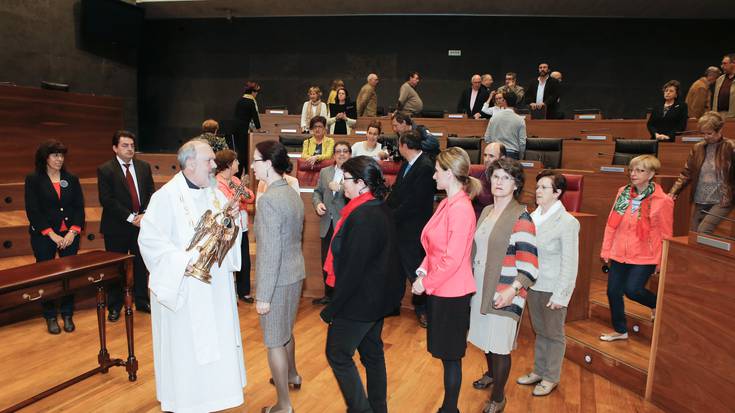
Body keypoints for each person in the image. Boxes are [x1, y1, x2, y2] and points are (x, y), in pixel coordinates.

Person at [138, 138, 246, 413]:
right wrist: (182, 263)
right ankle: (186, 401)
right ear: (190, 163)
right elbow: (150, 241)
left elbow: (227, 236)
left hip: (215, 288)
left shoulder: (215, 194)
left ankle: (215, 397)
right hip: (184, 287)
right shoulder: (165, 198)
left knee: (217, 342)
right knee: (187, 350)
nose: (214, 166)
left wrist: (232, 220)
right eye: (209, 161)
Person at [320, 156, 403, 413]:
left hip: (360, 301)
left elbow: (353, 270)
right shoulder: (376, 207)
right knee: (372, 354)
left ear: (361, 183)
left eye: (345, 179)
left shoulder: (364, 216)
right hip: (375, 299)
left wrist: (333, 308)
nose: (341, 183)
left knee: (337, 353)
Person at [411, 147, 480, 413]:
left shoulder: (461, 209)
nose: (434, 176)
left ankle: (450, 409)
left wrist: (426, 282)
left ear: (450, 174)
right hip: (440, 289)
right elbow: (433, 248)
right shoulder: (446, 203)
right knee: (445, 355)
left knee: (451, 357)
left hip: (452, 293)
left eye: (437, 171)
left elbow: (453, 259)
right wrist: (422, 271)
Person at [468, 159, 538, 413]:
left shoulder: (521, 216)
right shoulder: (487, 210)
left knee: (499, 345)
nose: (499, 182)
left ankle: (498, 397)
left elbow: (530, 266)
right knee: (484, 338)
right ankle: (491, 374)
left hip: (505, 289)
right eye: (496, 176)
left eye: (506, 178)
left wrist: (512, 290)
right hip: (480, 284)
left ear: (516, 184)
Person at [252, 140, 306, 413]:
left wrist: (263, 295)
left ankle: (283, 405)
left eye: (256, 161)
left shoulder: (268, 200)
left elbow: (270, 252)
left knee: (274, 340)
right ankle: (292, 374)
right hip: (295, 273)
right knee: (286, 332)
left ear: (268, 164)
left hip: (277, 279)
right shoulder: (292, 193)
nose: (252, 166)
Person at [516, 170, 579, 397]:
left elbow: (570, 263)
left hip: (553, 288)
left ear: (557, 192)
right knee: (540, 331)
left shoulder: (567, 222)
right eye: (538, 186)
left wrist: (562, 295)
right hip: (534, 285)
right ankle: (539, 371)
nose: (538, 191)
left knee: (554, 334)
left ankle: (551, 377)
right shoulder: (531, 217)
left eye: (544, 187)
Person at [599, 155, 673, 342]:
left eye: (640, 170)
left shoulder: (662, 200)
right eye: (632, 170)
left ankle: (657, 304)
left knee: (633, 290)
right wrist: (606, 249)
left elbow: (666, 234)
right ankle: (620, 330)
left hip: (646, 255)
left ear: (651, 174)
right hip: (619, 252)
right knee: (613, 292)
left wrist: (661, 261)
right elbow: (611, 223)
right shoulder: (623, 193)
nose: (633, 174)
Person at [25, 139, 84, 335]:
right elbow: (33, 211)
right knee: (47, 276)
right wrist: (51, 234)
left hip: (69, 235)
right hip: (44, 235)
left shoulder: (71, 178)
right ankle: (50, 315)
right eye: (55, 155)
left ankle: (67, 313)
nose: (60, 159)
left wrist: (72, 231)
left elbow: (79, 208)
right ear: (45, 158)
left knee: (68, 275)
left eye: (61, 155)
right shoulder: (33, 179)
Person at [98, 130, 155, 322]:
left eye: (132, 145)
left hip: (141, 225)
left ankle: (142, 300)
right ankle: (115, 306)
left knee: (140, 264)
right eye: (125, 145)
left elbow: (151, 192)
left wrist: (144, 215)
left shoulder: (144, 167)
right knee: (117, 268)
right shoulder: (105, 169)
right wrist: (131, 217)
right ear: (115, 148)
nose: (130, 149)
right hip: (117, 227)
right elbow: (107, 200)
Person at [386, 130, 436, 328]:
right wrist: (385, 209)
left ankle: (423, 310)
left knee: (415, 268)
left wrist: (392, 215)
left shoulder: (425, 166)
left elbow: (415, 202)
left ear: (404, 146)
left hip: (414, 228)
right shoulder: (407, 164)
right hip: (399, 225)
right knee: (396, 267)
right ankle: (393, 304)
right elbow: (397, 192)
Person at [669, 111, 735, 234]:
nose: (705, 137)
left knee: (703, 230)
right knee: (694, 235)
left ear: (720, 130)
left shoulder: (730, 147)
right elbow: (686, 173)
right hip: (701, 198)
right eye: (703, 133)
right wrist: (673, 192)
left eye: (709, 133)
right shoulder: (697, 148)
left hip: (722, 199)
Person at [311, 141, 351, 306]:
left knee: (344, 262)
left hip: (345, 225)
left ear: (350, 154)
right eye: (338, 151)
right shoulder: (325, 171)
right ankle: (328, 295)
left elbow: (356, 196)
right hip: (327, 224)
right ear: (334, 155)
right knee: (326, 261)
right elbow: (317, 192)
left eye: (345, 151)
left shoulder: (356, 173)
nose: (341, 154)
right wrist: (317, 203)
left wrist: (340, 188)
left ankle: (342, 298)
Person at [215, 149, 256, 303]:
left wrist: (240, 193)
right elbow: (228, 203)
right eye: (236, 161)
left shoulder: (235, 179)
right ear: (228, 164)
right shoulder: (217, 182)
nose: (238, 163)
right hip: (228, 227)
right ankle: (229, 293)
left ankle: (244, 291)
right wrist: (238, 195)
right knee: (228, 259)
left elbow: (250, 197)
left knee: (244, 259)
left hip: (242, 225)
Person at [483, 91, 527, 160]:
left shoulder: (494, 118)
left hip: (496, 153)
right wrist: (520, 157)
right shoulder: (520, 120)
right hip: (513, 155)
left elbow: (487, 138)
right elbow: (522, 143)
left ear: (504, 101)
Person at [470, 142, 507, 219]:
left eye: (491, 156)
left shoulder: (507, 180)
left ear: (502, 159)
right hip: (475, 218)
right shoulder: (475, 175)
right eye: (485, 155)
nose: (486, 159)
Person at [234, 81, 262, 172]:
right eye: (256, 92)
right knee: (246, 151)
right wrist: (259, 129)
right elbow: (255, 116)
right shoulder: (251, 101)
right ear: (252, 92)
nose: (257, 94)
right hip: (245, 130)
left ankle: (238, 173)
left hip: (236, 129)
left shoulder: (240, 100)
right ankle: (246, 171)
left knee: (240, 151)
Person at [713, 53, 735, 118]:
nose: (722, 66)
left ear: (733, 63)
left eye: (725, 63)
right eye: (722, 64)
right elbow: (715, 99)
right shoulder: (719, 79)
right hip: (719, 115)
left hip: (733, 115)